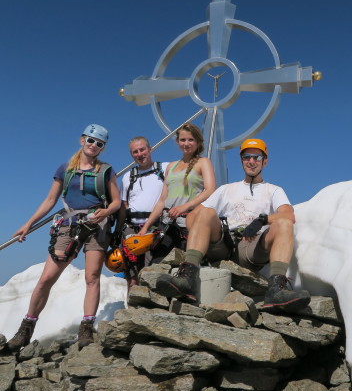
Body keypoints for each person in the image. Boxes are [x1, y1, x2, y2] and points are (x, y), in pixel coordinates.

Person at [155, 138, 310, 312]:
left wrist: (262, 221)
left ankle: (276, 289)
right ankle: (187, 277)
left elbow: (288, 214)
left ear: (265, 161)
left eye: (257, 157)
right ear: (241, 160)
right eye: (246, 157)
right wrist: (199, 224)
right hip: (224, 243)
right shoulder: (226, 189)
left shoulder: (273, 190)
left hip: (251, 247)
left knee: (284, 223)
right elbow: (195, 218)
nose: (251, 161)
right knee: (205, 212)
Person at [8, 124, 120, 350]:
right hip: (69, 225)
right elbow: (50, 200)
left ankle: (86, 328)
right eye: (91, 141)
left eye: (99, 144)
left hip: (96, 226)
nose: (94, 146)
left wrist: (106, 212)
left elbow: (116, 201)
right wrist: (28, 225)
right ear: (82, 140)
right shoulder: (65, 169)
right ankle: (26, 328)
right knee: (46, 278)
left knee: (92, 277)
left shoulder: (106, 171)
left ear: (103, 148)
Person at [137, 123, 215, 254]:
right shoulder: (170, 166)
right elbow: (162, 201)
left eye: (191, 140)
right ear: (178, 142)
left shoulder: (203, 162)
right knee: (158, 265)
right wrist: (146, 227)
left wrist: (184, 207)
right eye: (183, 140)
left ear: (198, 142)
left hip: (188, 224)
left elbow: (210, 190)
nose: (186, 143)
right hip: (166, 225)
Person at [114, 136, 168, 289]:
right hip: (131, 229)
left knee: (151, 272)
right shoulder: (128, 177)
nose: (140, 154)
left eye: (142, 149)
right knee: (131, 275)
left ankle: (148, 310)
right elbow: (124, 205)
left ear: (150, 149)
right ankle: (131, 310)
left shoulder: (165, 169)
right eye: (135, 152)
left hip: (155, 228)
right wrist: (117, 231)